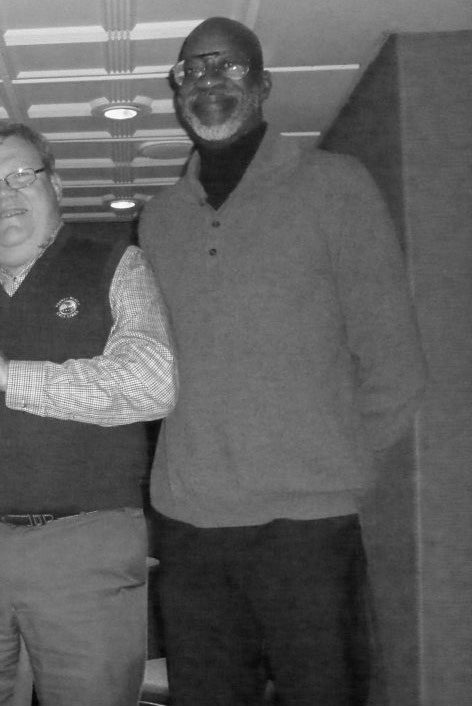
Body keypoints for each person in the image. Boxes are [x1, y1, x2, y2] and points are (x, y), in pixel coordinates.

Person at [138, 17, 427, 706]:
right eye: (191, 71)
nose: (207, 80)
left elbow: (395, 364)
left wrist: (329, 462)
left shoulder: (335, 186)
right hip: (189, 532)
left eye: (227, 66)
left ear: (263, 84)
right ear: (178, 94)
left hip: (308, 530)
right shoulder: (158, 218)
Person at [0, 120, 178, 706]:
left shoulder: (115, 264)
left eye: (21, 175)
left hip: (85, 547)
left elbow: (154, 383)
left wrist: (10, 377)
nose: (4, 195)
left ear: (57, 186)